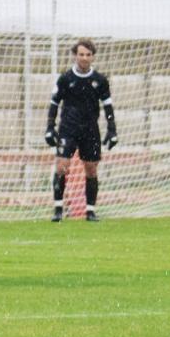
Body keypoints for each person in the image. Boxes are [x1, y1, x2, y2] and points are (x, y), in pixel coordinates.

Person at [44, 39, 116, 222]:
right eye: (81, 54)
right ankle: (58, 209)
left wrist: (112, 129)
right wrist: (50, 128)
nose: (84, 58)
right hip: (68, 128)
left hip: (90, 130)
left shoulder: (100, 80)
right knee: (61, 166)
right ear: (75, 55)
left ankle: (90, 211)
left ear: (92, 57)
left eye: (88, 55)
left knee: (91, 170)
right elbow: (54, 103)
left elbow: (108, 106)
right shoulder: (65, 78)